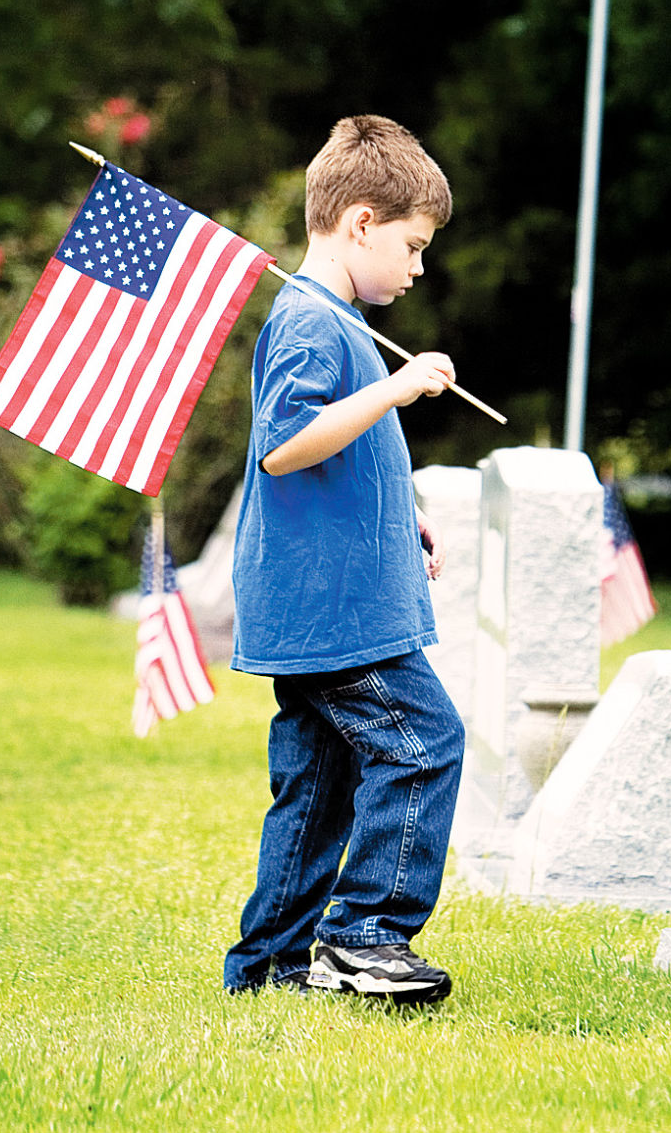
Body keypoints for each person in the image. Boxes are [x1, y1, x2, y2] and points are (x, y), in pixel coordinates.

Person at [223, 115, 466, 1005]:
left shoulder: (338, 322)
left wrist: (403, 514)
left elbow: (347, 449)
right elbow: (286, 445)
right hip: (332, 610)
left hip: (328, 601)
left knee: (319, 784)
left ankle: (268, 966)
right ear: (360, 222)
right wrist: (400, 386)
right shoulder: (310, 323)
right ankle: (365, 935)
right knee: (424, 744)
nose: (417, 266)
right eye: (412, 244)